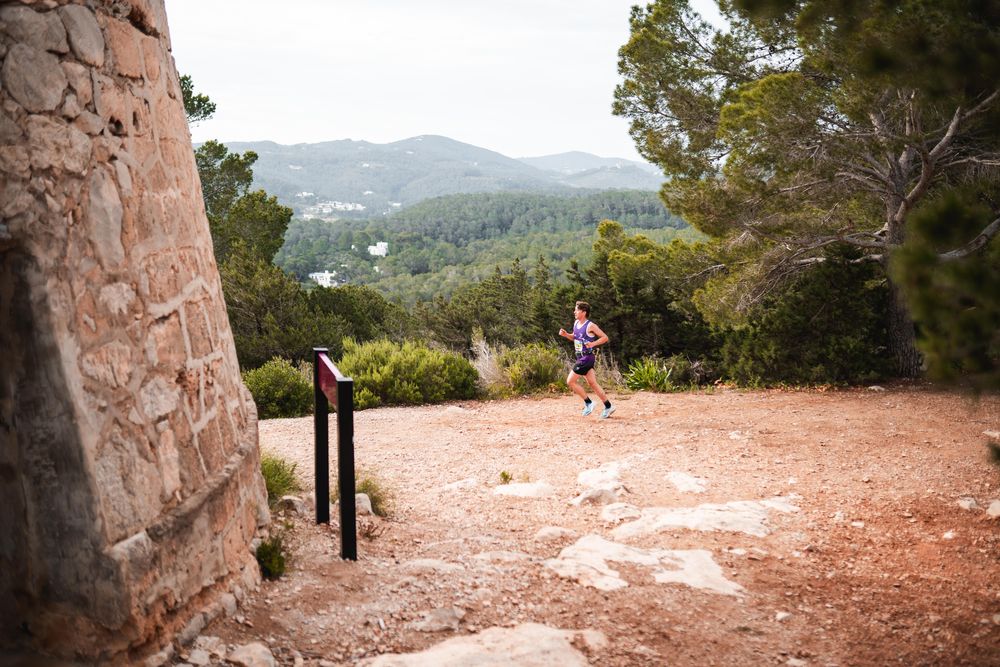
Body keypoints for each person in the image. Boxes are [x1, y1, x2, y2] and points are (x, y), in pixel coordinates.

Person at [558, 301, 615, 419]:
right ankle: (608, 406)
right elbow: (575, 338)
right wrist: (566, 335)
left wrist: (593, 344)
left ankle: (589, 403)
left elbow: (605, 337)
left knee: (570, 381)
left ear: (583, 312)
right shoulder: (576, 323)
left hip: (586, 358)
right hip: (581, 357)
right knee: (592, 383)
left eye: (576, 310)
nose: (574, 312)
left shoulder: (590, 325)